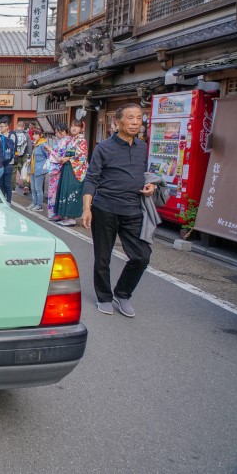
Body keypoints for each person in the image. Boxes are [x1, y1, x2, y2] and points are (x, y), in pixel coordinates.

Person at [82, 103, 155, 317]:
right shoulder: (103, 148)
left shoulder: (142, 147)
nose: (135, 122)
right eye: (130, 118)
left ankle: (122, 293)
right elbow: (91, 178)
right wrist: (87, 208)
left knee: (142, 256)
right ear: (118, 121)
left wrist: (150, 186)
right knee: (102, 257)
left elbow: (143, 174)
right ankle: (104, 297)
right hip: (105, 208)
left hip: (133, 209)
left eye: (139, 118)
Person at [55, 119, 89, 227]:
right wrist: (63, 158)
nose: (74, 128)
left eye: (77, 126)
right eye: (72, 126)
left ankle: (72, 218)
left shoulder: (81, 141)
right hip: (68, 168)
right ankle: (66, 216)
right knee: (66, 190)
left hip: (75, 169)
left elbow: (82, 156)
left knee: (72, 191)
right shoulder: (72, 140)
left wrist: (68, 158)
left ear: (81, 128)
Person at [47, 123, 70, 221]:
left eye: (57, 132)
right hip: (60, 169)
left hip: (58, 170)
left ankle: (54, 214)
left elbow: (59, 157)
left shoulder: (64, 141)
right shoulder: (67, 141)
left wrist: (50, 150)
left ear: (63, 131)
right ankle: (57, 213)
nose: (56, 134)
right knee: (56, 192)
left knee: (53, 193)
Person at [27, 128, 49, 212]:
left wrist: (44, 167)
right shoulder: (36, 144)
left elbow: (48, 156)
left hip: (39, 170)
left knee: (38, 189)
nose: (34, 136)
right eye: (33, 134)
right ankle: (34, 203)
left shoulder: (43, 144)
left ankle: (39, 205)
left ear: (41, 135)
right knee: (33, 188)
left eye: (36, 134)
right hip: (33, 169)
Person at [0, 119, 17, 202]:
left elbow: (13, 146)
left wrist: (1, 137)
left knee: (7, 184)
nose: (0, 128)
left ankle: (8, 201)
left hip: (9, 163)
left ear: (7, 127)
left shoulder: (11, 136)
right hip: (0, 162)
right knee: (0, 184)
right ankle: (2, 200)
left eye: (2, 126)